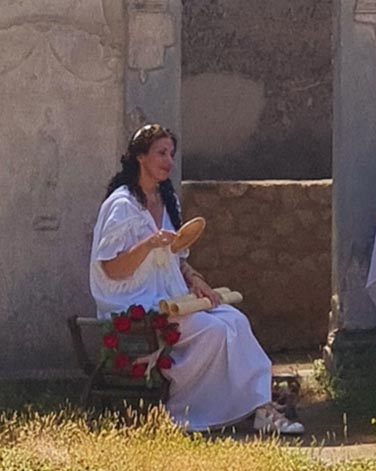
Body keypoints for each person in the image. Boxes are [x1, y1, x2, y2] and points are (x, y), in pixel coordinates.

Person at [90, 123, 304, 435]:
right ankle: (188, 411)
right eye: (161, 153)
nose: (168, 160)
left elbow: (176, 256)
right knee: (214, 330)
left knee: (234, 320)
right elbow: (112, 269)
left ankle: (259, 406)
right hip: (134, 300)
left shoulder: (168, 199)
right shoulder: (122, 205)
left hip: (171, 295)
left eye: (171, 154)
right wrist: (147, 244)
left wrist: (195, 279)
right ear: (140, 157)